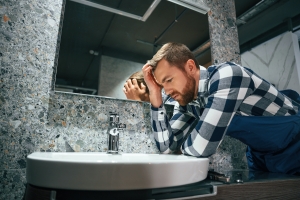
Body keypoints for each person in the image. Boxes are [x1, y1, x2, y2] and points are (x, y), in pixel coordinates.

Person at [142, 42, 300, 175]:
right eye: (162, 86)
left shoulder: (227, 76)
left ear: (190, 67)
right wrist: (156, 98)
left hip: (295, 146)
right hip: (262, 156)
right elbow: (167, 147)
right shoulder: (187, 102)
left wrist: (184, 148)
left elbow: (202, 148)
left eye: (169, 80)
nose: (167, 92)